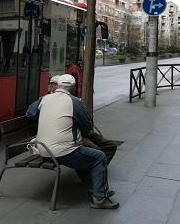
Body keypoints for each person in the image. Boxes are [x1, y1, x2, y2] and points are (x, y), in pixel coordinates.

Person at [26, 74, 119, 209]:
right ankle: (99, 198)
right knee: (99, 157)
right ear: (73, 88)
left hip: (42, 149)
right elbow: (87, 127)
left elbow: (30, 113)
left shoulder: (45, 99)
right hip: (61, 151)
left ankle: (96, 189)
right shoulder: (74, 101)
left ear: (58, 86)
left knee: (88, 155)